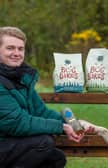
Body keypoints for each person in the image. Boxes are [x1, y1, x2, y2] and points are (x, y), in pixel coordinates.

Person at [0, 26, 90, 168]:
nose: (16, 53)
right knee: (43, 143)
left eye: (20, 49)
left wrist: (74, 124)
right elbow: (16, 123)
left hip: (9, 142)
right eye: (10, 48)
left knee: (56, 159)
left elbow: (41, 112)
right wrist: (61, 127)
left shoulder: (21, 79)